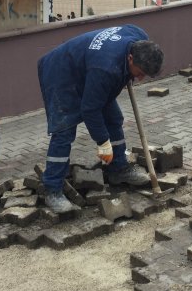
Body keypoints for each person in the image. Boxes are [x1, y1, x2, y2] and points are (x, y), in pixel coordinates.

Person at [37, 25, 164, 212]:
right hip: (61, 74)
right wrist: (102, 142)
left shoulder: (139, 36)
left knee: (114, 118)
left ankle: (118, 169)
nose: (141, 78)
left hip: (90, 67)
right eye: (139, 73)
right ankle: (52, 190)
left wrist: (130, 73)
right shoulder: (106, 68)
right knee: (64, 131)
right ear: (130, 58)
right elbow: (90, 109)